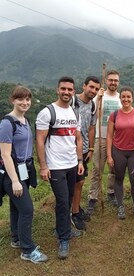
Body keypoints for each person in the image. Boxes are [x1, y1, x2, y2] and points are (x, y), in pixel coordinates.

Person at [36, 77, 84, 259]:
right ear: (57, 90)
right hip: (55, 166)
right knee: (63, 201)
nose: (66, 92)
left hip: (72, 163)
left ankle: (60, 229)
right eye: (63, 89)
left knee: (69, 199)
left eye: (69, 90)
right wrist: (43, 166)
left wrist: (80, 161)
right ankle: (64, 238)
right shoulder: (47, 112)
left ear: (73, 92)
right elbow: (39, 139)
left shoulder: (75, 113)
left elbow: (77, 138)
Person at [0, 86, 48, 263]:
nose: (25, 103)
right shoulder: (7, 123)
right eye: (21, 99)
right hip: (13, 173)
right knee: (27, 210)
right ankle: (27, 250)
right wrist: (14, 181)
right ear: (13, 100)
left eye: (28, 99)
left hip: (25, 169)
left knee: (16, 206)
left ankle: (16, 238)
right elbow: (5, 154)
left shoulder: (25, 120)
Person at [107, 87, 134, 219]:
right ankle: (120, 206)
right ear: (120, 98)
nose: (126, 99)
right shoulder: (114, 115)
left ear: (132, 98)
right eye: (123, 96)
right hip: (118, 151)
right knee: (119, 179)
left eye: (128, 97)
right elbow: (110, 136)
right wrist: (109, 156)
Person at [87, 70, 122, 214]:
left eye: (116, 80)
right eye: (111, 80)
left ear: (118, 82)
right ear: (106, 81)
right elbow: (93, 114)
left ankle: (111, 192)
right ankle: (93, 197)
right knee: (97, 168)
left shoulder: (121, 98)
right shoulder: (98, 96)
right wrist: (98, 98)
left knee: (114, 168)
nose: (113, 82)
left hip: (116, 138)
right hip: (101, 137)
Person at [71, 76, 102, 230]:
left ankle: (75, 210)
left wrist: (90, 148)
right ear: (83, 86)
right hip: (67, 149)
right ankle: (72, 213)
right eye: (91, 87)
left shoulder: (93, 106)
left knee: (80, 181)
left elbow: (91, 128)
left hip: (82, 150)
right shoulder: (72, 101)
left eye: (96, 89)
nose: (93, 91)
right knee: (72, 182)